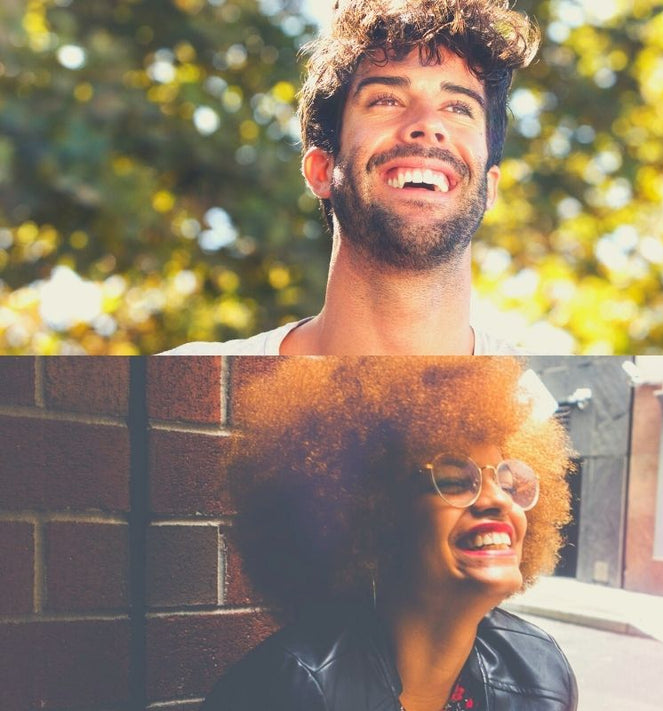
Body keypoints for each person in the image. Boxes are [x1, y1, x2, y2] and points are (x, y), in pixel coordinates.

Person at [165, 0, 541, 355]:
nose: (427, 125)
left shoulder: (547, 406)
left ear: (490, 187)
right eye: (386, 100)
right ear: (322, 171)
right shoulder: (179, 381)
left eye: (459, 107)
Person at [201, 358, 576, 710]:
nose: (497, 500)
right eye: (453, 480)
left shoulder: (541, 672)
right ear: (372, 513)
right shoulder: (284, 689)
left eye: (509, 482)